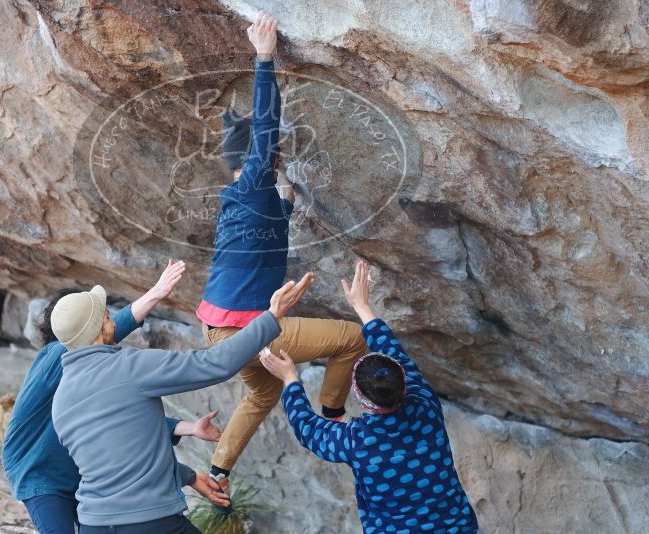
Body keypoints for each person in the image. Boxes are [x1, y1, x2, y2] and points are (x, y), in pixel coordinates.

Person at [197, 11, 367, 510]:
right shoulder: (251, 184)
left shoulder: (246, 197)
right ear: (253, 160)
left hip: (218, 328)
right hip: (246, 330)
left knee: (262, 396)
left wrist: (288, 199)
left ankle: (218, 471)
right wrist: (265, 57)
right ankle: (333, 418)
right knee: (352, 338)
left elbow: (267, 233)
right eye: (266, 157)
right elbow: (266, 128)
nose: (273, 157)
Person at [51, 272, 313, 533]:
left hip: (92, 523)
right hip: (148, 522)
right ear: (97, 327)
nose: (111, 319)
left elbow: (121, 458)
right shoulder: (129, 366)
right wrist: (270, 317)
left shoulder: (60, 401)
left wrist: (188, 477)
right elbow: (214, 364)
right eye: (106, 315)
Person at [2, 260, 227, 533]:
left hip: (79, 479)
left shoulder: (90, 373)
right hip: (40, 476)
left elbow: (131, 423)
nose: (106, 318)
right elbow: (103, 329)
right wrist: (154, 294)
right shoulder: (54, 357)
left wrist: (189, 431)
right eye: (101, 315)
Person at [259, 261, 480, 533]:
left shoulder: (358, 441)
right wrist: (362, 307)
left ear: (362, 399)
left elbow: (308, 430)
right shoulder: (426, 405)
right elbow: (396, 355)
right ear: (402, 380)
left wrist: (290, 378)